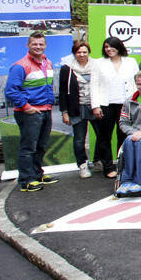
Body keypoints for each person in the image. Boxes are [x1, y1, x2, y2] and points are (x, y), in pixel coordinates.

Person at [6, 32, 56, 192]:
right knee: (28, 147)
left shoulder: (47, 63)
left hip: (46, 110)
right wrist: (27, 107)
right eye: (35, 44)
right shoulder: (20, 66)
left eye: (41, 44)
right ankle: (26, 180)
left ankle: (37, 173)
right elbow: (11, 91)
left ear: (45, 45)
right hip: (30, 112)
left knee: (41, 145)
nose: (38, 47)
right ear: (28, 45)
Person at [91, 36, 140, 179]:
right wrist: (95, 106)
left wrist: (136, 103)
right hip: (105, 105)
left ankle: (123, 165)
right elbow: (93, 85)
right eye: (106, 47)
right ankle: (108, 167)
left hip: (126, 105)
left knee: (123, 136)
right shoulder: (99, 63)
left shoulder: (130, 62)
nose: (109, 49)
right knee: (104, 137)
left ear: (119, 47)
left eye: (111, 46)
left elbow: (136, 83)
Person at [59, 40, 98, 178]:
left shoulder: (96, 65)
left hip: (94, 106)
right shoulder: (67, 68)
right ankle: (82, 165)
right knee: (79, 139)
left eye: (84, 52)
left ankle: (98, 160)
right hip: (76, 108)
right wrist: (65, 112)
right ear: (74, 53)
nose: (81, 54)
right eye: (78, 52)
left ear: (89, 52)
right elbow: (63, 92)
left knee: (102, 136)